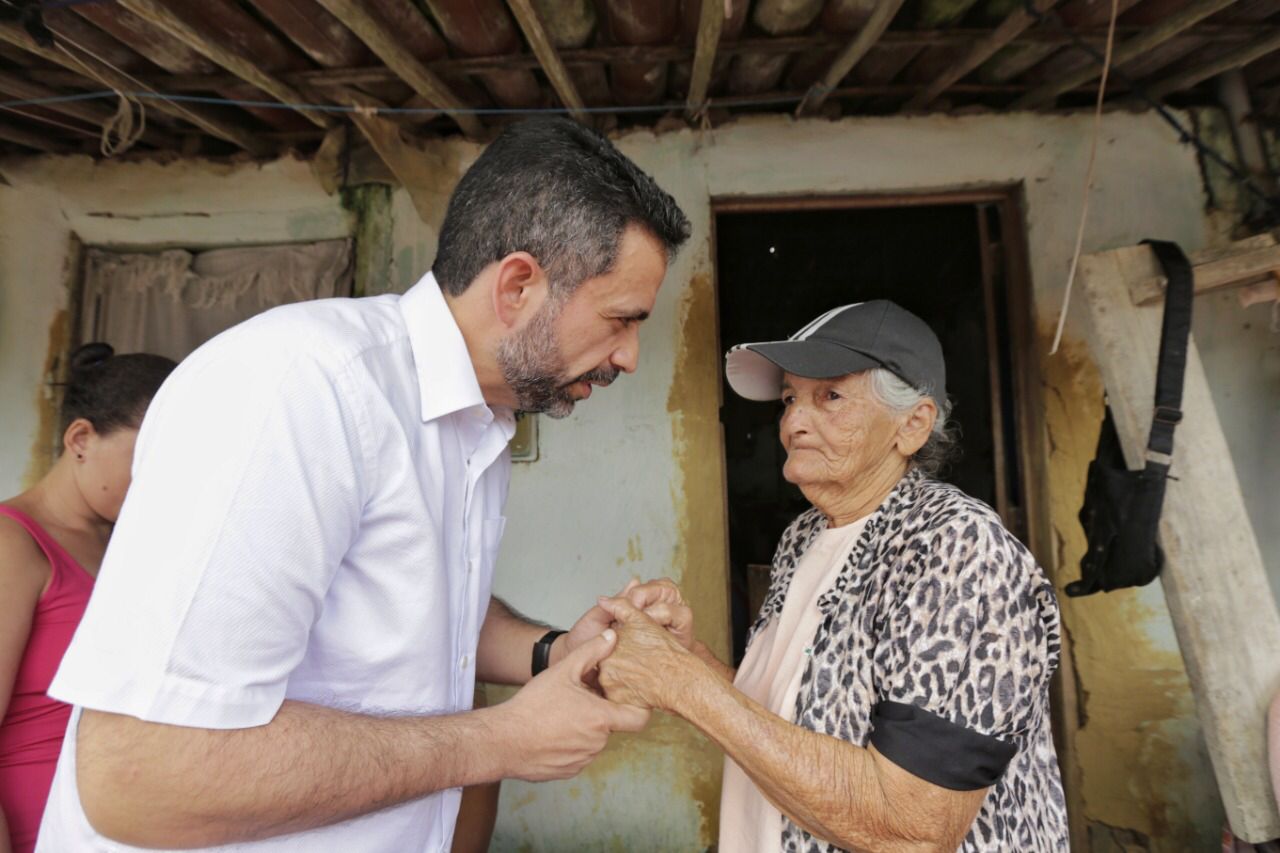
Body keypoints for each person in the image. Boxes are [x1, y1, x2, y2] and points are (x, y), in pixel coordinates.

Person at [36, 117, 692, 851]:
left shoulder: (478, 423)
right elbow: (138, 772)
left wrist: (555, 650)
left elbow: (426, 614)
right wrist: (499, 739)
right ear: (516, 287)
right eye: (621, 319)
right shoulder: (297, 392)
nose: (631, 357)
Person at [596, 300, 1070, 852]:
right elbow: (799, 718)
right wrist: (687, 658)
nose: (793, 422)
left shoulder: (958, 547)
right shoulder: (804, 536)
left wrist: (683, 683)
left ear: (913, 425)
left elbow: (912, 828)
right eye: (791, 398)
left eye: (831, 397)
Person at [0, 344, 175, 853]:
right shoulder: (14, 545)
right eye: (147, 460)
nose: (162, 485)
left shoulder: (133, 546)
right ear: (80, 439)